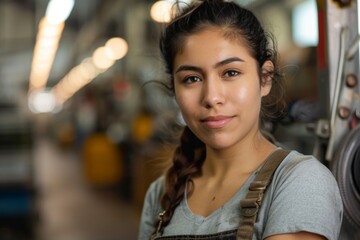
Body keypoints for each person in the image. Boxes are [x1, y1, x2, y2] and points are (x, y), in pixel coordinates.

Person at [138, 0, 343, 239]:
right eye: (192, 79)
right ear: (174, 89)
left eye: (230, 73)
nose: (212, 97)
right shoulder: (162, 194)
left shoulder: (298, 182)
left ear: (265, 79)